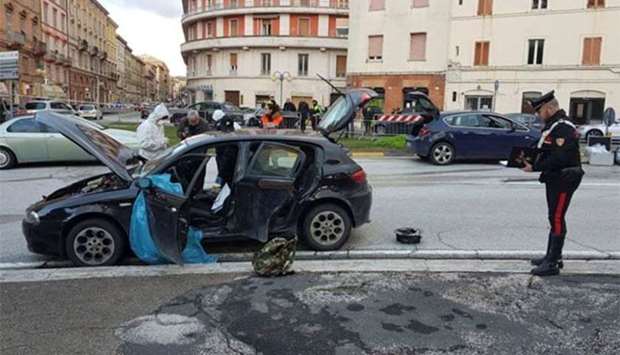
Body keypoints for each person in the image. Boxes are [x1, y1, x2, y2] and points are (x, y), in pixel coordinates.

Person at [521, 90, 584, 277]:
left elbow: (559, 157)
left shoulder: (562, 128)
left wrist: (535, 167)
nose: (538, 115)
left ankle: (553, 262)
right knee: (553, 216)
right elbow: (545, 148)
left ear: (549, 108)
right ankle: (552, 255)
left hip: (564, 178)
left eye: (539, 111)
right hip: (556, 178)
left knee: (556, 217)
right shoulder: (554, 126)